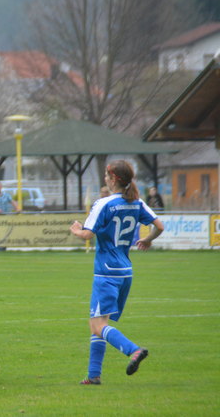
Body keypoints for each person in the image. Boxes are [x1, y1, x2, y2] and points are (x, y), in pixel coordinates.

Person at [70, 160, 164, 385]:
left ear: (113, 179)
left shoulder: (104, 203)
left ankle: (134, 350)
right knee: (100, 323)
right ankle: (94, 375)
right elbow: (159, 226)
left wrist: (74, 229)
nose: (104, 178)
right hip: (125, 271)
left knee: (97, 325)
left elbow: (86, 235)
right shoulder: (136, 202)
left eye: (106, 175)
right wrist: (147, 240)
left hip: (106, 273)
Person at [0, 182, 20, 250]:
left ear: (1, 187)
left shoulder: (6, 195)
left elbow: (12, 202)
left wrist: (17, 208)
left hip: (5, 217)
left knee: (5, 232)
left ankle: (4, 246)